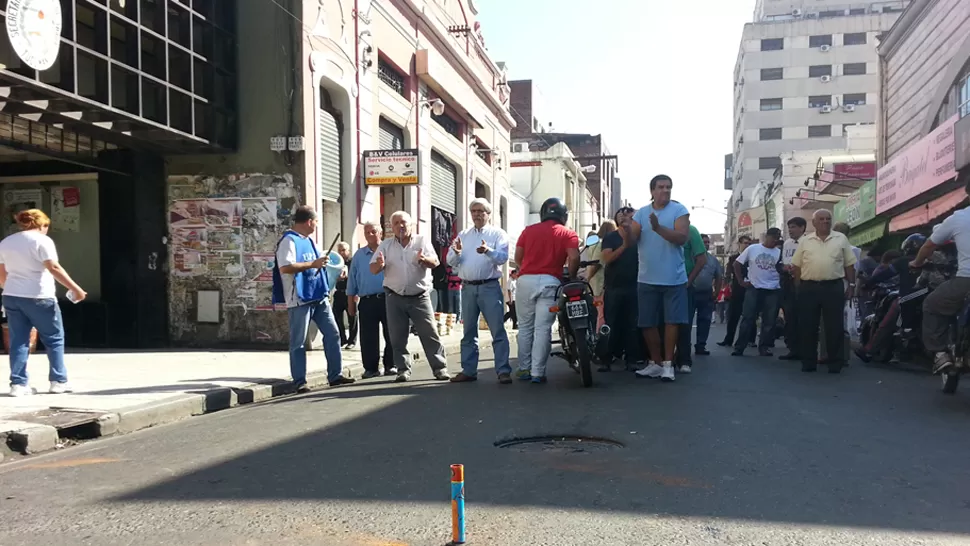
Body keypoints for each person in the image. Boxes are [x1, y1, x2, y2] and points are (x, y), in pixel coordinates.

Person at [0, 209, 85, 397]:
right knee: (54, 338)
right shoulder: (43, 241)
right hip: (40, 295)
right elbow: (53, 267)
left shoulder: (6, 242)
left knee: (19, 340)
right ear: (42, 224)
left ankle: (18, 384)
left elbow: (2, 273)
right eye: (46, 226)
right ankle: (58, 381)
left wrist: (12, 287)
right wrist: (75, 288)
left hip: (12, 295)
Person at [272, 206, 356, 392]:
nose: (317, 225)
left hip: (318, 295)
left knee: (333, 334)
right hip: (300, 298)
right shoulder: (289, 241)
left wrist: (336, 268)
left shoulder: (310, 241)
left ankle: (335, 375)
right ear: (309, 222)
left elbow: (321, 261)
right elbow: (285, 267)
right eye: (316, 222)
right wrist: (313, 264)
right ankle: (299, 381)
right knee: (299, 342)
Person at [620, 175, 691, 382]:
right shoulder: (642, 213)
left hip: (674, 278)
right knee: (647, 322)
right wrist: (626, 229)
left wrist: (658, 227)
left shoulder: (679, 211)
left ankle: (668, 365)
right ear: (652, 191)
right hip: (647, 277)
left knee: (671, 322)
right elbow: (633, 241)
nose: (665, 191)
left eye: (668, 187)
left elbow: (681, 238)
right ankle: (656, 362)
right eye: (661, 187)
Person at [370, 211, 452, 382]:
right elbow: (373, 269)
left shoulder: (421, 241)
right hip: (394, 296)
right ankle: (402, 370)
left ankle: (440, 368)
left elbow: (435, 262)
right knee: (397, 337)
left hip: (419, 297)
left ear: (411, 224)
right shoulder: (386, 245)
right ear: (391, 227)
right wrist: (379, 265)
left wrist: (424, 260)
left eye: (404, 222)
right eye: (397, 223)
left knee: (429, 334)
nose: (401, 226)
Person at [514, 197, 580, 384]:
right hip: (551, 282)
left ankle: (524, 368)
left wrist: (529, 268)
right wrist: (572, 275)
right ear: (563, 215)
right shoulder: (568, 233)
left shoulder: (528, 231)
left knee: (525, 327)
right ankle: (537, 372)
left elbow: (518, 257)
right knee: (543, 329)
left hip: (526, 280)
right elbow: (574, 258)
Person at [446, 198, 512, 384]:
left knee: (497, 330)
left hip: (489, 287)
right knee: (468, 331)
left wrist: (488, 251)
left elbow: (502, 258)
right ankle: (468, 370)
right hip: (467, 288)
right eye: (473, 211)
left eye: (480, 211)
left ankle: (503, 370)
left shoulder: (498, 234)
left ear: (488, 214)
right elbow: (451, 261)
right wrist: (457, 253)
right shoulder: (464, 235)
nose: (476, 214)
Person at [791, 209, 857, 373]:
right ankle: (808, 362)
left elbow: (849, 264)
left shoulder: (841, 239)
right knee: (808, 326)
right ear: (814, 223)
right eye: (821, 219)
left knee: (834, 326)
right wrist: (799, 286)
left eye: (828, 219)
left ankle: (835, 363)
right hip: (809, 287)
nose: (825, 222)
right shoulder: (805, 241)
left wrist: (852, 285)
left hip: (833, 287)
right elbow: (797, 266)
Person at [914, 200, 970, 374]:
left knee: (931, 305)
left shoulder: (959, 218)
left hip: (965, 280)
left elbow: (929, 245)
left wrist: (917, 262)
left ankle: (940, 353)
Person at [854, 234, 924, 364]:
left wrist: (868, 283)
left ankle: (869, 350)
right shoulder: (931, 260)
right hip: (927, 297)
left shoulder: (903, 261)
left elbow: (885, 274)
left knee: (887, 322)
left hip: (908, 298)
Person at [347, 222, 395, 379]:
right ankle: (371, 368)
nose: (370, 235)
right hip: (367, 300)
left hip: (388, 298)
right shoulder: (359, 256)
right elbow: (352, 281)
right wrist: (351, 305)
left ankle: (391, 364)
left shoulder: (390, 250)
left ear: (380, 233)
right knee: (368, 337)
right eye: (367, 232)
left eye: (373, 232)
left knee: (392, 333)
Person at [732, 228, 783, 357]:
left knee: (769, 321)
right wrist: (741, 281)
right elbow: (736, 264)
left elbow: (782, 268)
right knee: (747, 318)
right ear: (767, 237)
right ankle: (740, 347)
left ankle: (764, 347)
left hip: (772, 289)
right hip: (754, 287)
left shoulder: (779, 252)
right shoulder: (753, 249)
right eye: (773, 238)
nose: (775, 241)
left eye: (777, 239)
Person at [674, 224, 707, 372]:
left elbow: (702, 259)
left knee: (684, 323)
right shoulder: (657, 228)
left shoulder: (690, 230)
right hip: (660, 282)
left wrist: (689, 280)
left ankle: (684, 360)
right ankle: (662, 360)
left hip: (683, 284)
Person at [718, 235, 754, 347]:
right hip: (737, 289)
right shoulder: (734, 258)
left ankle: (750, 340)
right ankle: (729, 339)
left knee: (750, 315)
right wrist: (726, 283)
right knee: (733, 316)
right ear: (739, 244)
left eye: (749, 243)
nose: (747, 245)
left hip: (751, 289)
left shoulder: (753, 257)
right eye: (745, 243)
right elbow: (729, 272)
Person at [779, 217, 806, 360]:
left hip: (802, 282)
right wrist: (785, 268)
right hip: (788, 282)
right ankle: (792, 347)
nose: (790, 230)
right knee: (789, 316)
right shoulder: (787, 243)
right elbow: (781, 262)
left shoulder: (807, 242)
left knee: (802, 316)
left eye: (794, 227)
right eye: (789, 227)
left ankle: (804, 348)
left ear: (802, 228)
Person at [692, 234, 723, 355]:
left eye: (707, 242)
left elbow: (719, 277)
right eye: (703, 242)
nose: (706, 244)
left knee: (705, 320)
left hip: (706, 293)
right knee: (687, 321)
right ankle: (683, 347)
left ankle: (701, 345)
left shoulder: (713, 260)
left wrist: (716, 292)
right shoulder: (690, 257)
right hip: (691, 292)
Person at [583, 220, 616, 332]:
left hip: (594, 283)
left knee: (597, 312)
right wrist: (588, 277)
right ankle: (600, 336)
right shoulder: (602, 244)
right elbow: (597, 263)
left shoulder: (594, 243)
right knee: (601, 313)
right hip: (599, 283)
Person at [332, 242, 358, 349]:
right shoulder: (336, 262)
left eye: (344, 250)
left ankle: (352, 341)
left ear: (348, 251)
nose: (341, 253)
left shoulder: (352, 262)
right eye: (339, 250)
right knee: (337, 316)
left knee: (352, 317)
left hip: (350, 293)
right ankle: (342, 339)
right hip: (339, 292)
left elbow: (356, 276)